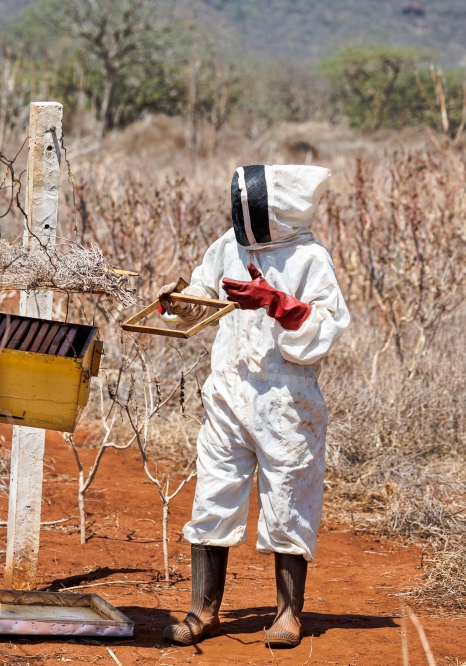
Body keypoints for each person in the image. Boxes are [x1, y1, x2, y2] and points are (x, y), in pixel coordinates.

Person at [159, 165, 350, 648]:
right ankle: (203, 612)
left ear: (278, 209)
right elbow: (204, 291)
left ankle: (288, 615)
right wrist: (179, 303)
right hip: (227, 393)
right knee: (212, 498)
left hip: (286, 400)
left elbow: (326, 328)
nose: (247, 219)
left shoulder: (310, 257)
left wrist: (278, 304)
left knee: (288, 503)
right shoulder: (230, 245)